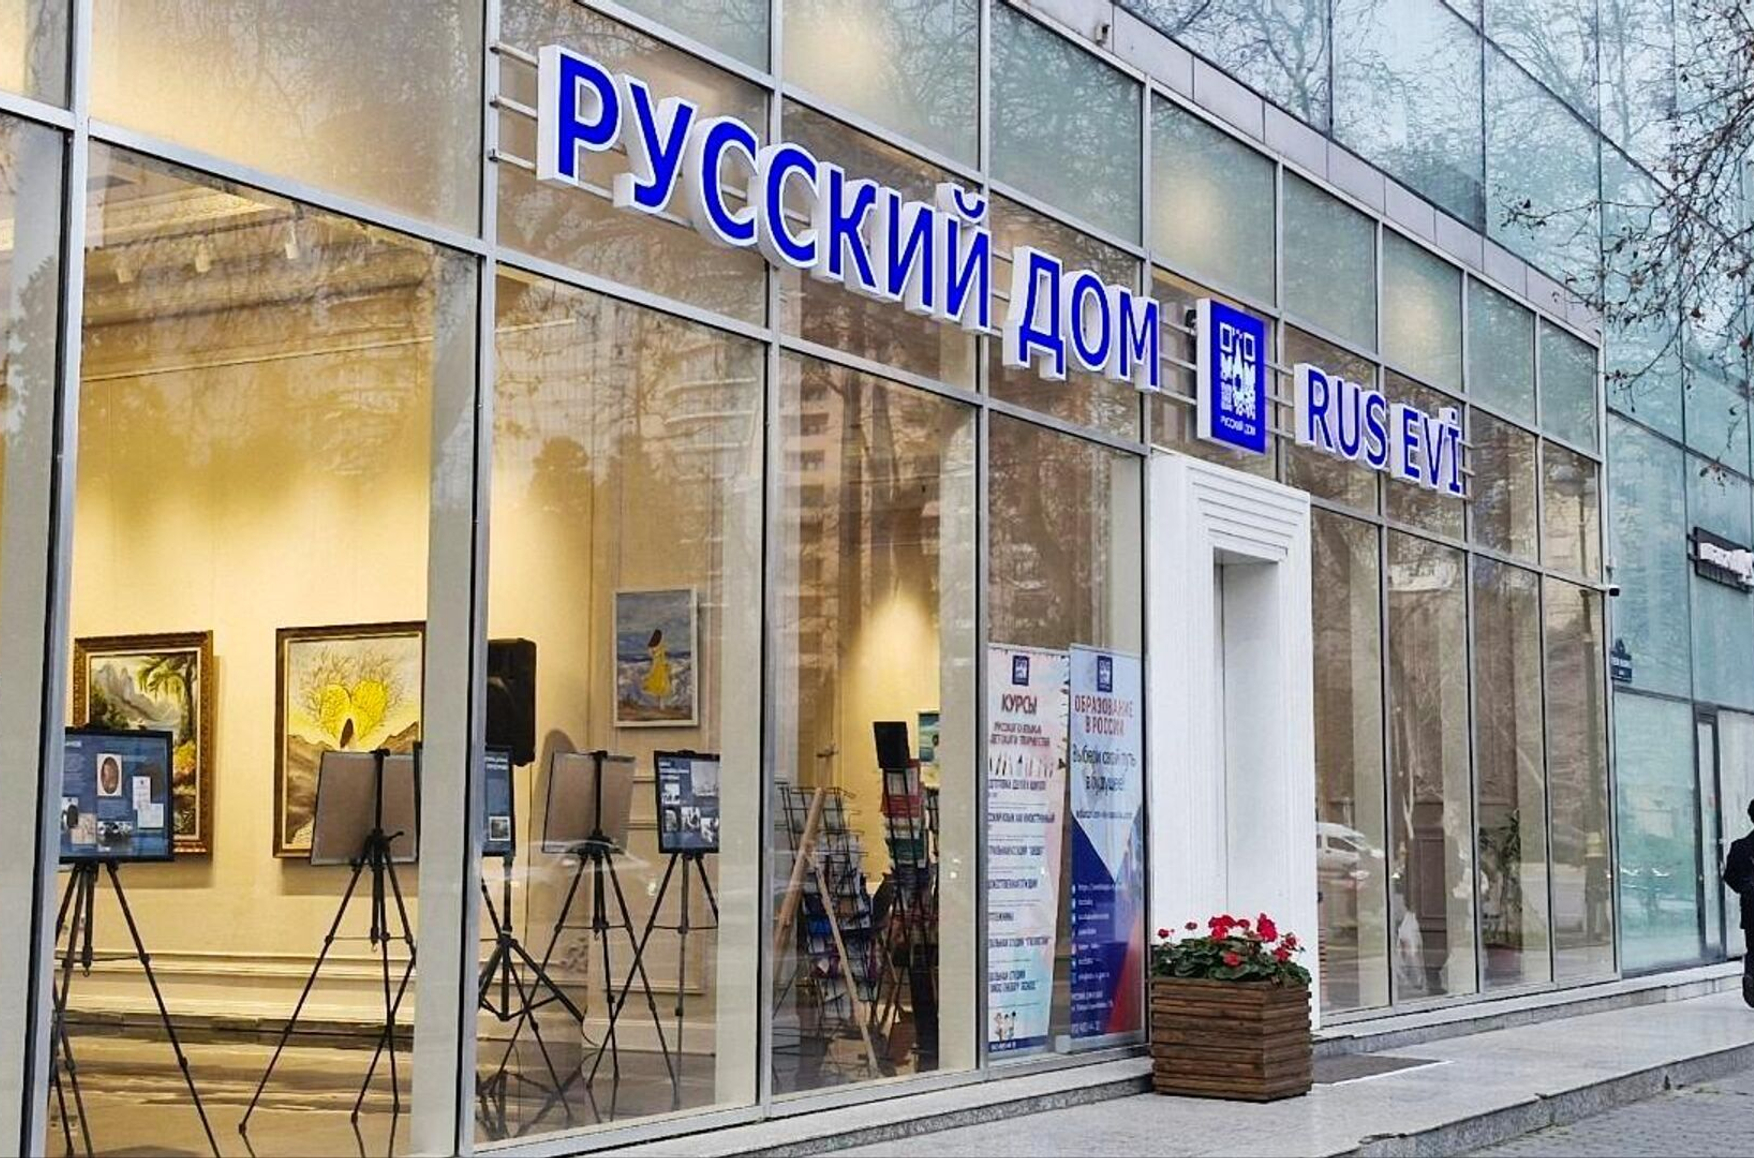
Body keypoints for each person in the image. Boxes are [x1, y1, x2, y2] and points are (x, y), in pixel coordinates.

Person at [1722, 799, 1754, 1007]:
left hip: (1751, 907)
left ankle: (1751, 976)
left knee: (1753, 948)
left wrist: (1745, 889)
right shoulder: (1741, 846)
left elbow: (1729, 876)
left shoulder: (1740, 846)